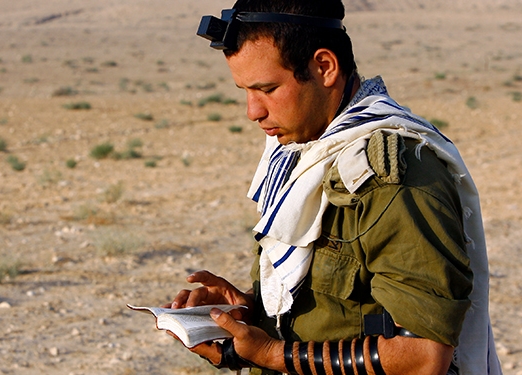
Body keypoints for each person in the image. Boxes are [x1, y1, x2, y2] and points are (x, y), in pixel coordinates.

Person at [164, 1, 502, 374]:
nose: (252, 111)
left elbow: (422, 356)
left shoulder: (391, 177)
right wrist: (247, 311)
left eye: (268, 89)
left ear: (324, 67)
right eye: (244, 90)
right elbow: (339, 312)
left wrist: (272, 355)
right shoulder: (304, 154)